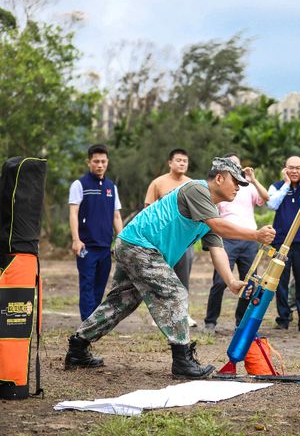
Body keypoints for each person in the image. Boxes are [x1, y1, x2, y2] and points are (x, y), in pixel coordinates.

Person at [64, 157, 276, 379]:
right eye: (236, 182)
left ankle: (78, 347)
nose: (238, 188)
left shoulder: (211, 210)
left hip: (135, 245)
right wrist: (255, 235)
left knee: (121, 302)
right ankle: (182, 360)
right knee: (174, 292)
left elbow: (217, 248)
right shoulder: (197, 189)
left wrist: (231, 282)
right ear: (220, 178)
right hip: (139, 244)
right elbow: (219, 227)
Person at [204, 153, 270, 332]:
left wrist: (254, 180)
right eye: (231, 164)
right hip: (227, 239)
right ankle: (210, 321)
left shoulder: (246, 186)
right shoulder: (220, 189)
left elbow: (266, 198)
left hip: (249, 239)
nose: (236, 167)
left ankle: (241, 322)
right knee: (220, 281)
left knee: (250, 283)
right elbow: (212, 215)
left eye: (238, 165)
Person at [69, 144, 124, 321]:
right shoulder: (79, 184)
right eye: (96, 161)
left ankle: (92, 321)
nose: (100, 165)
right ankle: (87, 325)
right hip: (86, 247)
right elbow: (73, 212)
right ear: (89, 162)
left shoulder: (111, 187)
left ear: (107, 162)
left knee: (100, 287)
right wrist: (76, 240)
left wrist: (121, 241)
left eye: (103, 161)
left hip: (105, 247)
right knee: (87, 285)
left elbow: (116, 216)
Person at [144, 148, 197, 327]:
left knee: (183, 277)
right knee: (162, 276)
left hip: (184, 238)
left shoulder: (191, 184)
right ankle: (158, 314)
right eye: (178, 160)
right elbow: (148, 210)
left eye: (185, 161)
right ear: (170, 163)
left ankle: (183, 313)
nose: (182, 163)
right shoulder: (158, 183)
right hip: (163, 239)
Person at [267, 156, 300, 333]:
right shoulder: (276, 186)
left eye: (298, 168)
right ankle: (283, 318)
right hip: (281, 239)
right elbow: (272, 204)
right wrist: (287, 185)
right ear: (284, 169)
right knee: (280, 281)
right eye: (291, 168)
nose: (294, 171)